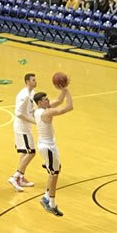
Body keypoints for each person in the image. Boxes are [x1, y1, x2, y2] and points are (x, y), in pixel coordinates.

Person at [34, 81, 74, 217]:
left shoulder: (39, 111)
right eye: (45, 100)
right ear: (40, 102)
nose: (48, 100)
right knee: (54, 173)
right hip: (47, 147)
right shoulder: (47, 113)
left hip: (47, 145)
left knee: (56, 170)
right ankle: (51, 203)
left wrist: (63, 89)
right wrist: (68, 91)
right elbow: (68, 107)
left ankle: (46, 196)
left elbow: (58, 100)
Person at [9, 71, 38, 192]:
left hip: (26, 128)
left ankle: (20, 178)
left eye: (35, 79)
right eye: (33, 80)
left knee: (24, 153)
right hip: (21, 128)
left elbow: (32, 109)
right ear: (27, 82)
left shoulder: (32, 93)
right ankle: (15, 177)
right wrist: (34, 121)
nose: (35, 81)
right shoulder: (24, 95)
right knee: (31, 152)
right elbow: (19, 113)